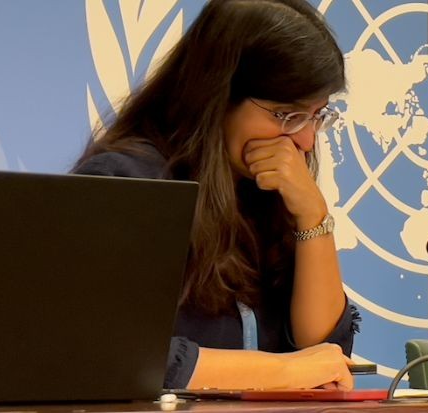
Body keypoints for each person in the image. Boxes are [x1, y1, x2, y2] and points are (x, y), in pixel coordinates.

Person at [71, 0, 358, 390]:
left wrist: (313, 217)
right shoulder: (129, 180)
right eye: (287, 115)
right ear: (216, 96)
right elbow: (113, 352)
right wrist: (283, 372)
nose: (306, 141)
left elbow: (323, 353)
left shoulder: (269, 190)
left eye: (317, 115)